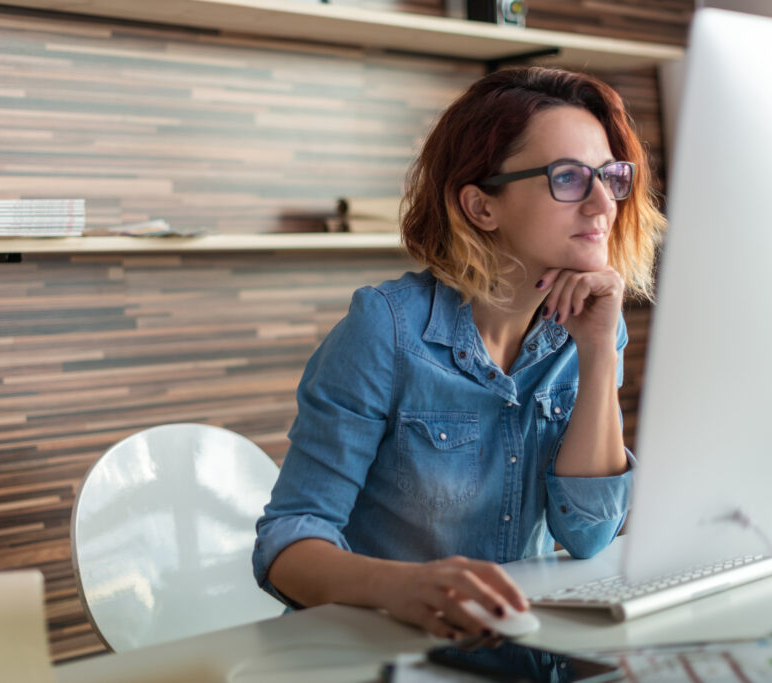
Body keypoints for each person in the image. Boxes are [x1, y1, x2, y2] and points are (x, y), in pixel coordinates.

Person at [252, 66, 665, 641]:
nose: (602, 204)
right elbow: (287, 542)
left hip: (509, 646)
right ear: (480, 206)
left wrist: (598, 353)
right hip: (371, 650)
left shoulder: (591, 327)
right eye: (568, 178)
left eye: (609, 176)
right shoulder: (387, 329)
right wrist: (401, 587)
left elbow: (589, 535)